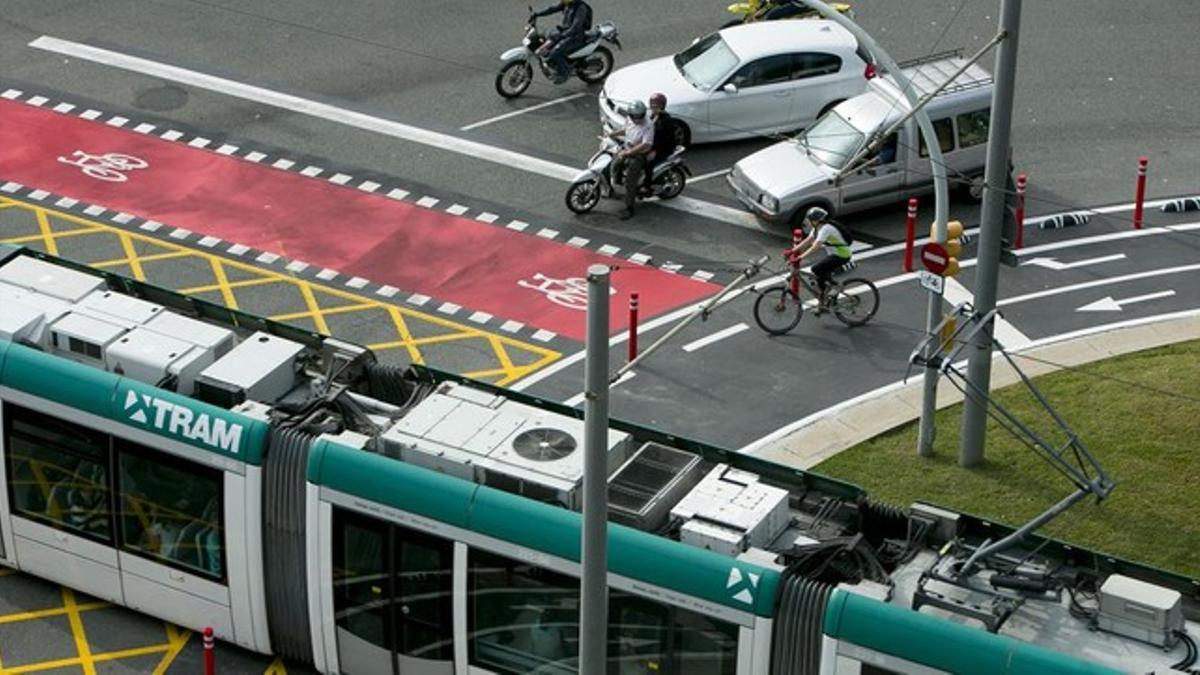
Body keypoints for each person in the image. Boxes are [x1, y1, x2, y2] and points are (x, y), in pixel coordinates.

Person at [789, 206, 854, 309]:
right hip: (834, 255)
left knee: (816, 269)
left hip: (842, 255)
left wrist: (800, 257)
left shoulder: (826, 229)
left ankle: (835, 288)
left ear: (815, 221)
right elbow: (809, 240)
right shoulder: (816, 229)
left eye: (809, 219)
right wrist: (792, 251)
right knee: (822, 276)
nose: (808, 221)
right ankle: (826, 300)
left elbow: (815, 246)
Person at [605, 100, 654, 219]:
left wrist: (628, 153)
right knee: (615, 165)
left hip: (639, 154)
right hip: (627, 148)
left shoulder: (648, 125)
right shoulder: (629, 119)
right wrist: (613, 134)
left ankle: (629, 207)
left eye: (639, 116)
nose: (637, 119)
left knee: (631, 181)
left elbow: (646, 144)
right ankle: (615, 187)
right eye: (634, 116)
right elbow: (626, 130)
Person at [531, 0, 593, 84]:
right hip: (565, 32)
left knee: (554, 53)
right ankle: (555, 65)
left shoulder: (581, 8)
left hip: (575, 36)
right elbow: (552, 9)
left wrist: (563, 35)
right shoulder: (568, 4)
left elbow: (576, 26)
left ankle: (564, 73)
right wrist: (537, 14)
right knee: (546, 41)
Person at [645, 92, 679, 188]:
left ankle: (647, 186)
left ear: (662, 106)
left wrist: (655, 151)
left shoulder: (665, 120)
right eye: (651, 105)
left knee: (648, 162)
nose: (653, 107)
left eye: (656, 106)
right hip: (652, 144)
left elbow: (662, 138)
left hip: (663, 148)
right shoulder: (653, 116)